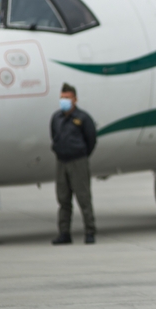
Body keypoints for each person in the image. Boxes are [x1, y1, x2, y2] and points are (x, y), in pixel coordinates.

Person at [50, 83, 97, 245]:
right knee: (63, 200)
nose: (64, 101)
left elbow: (91, 139)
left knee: (83, 198)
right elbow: (54, 135)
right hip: (62, 162)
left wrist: (81, 154)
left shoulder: (83, 118)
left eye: (67, 98)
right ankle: (64, 233)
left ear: (75, 99)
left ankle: (90, 232)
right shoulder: (56, 118)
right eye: (62, 98)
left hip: (78, 162)